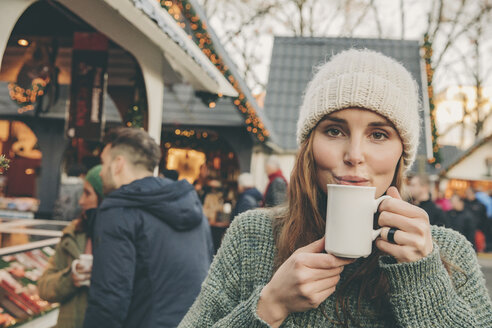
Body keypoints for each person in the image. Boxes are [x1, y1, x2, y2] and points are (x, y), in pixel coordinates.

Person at [178, 49, 492, 327]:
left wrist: (423, 279)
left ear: (402, 154)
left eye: (378, 135)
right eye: (334, 130)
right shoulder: (253, 237)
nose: (354, 155)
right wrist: (270, 306)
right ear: (309, 145)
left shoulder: (448, 252)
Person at [83, 128, 214, 328]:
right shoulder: (193, 207)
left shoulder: (117, 212)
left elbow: (109, 300)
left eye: (103, 163)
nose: (100, 172)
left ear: (118, 164)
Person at [38, 165, 103, 328]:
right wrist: (70, 277)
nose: (80, 200)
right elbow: (43, 287)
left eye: (87, 193)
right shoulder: (72, 233)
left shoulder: (121, 240)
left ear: (104, 198)